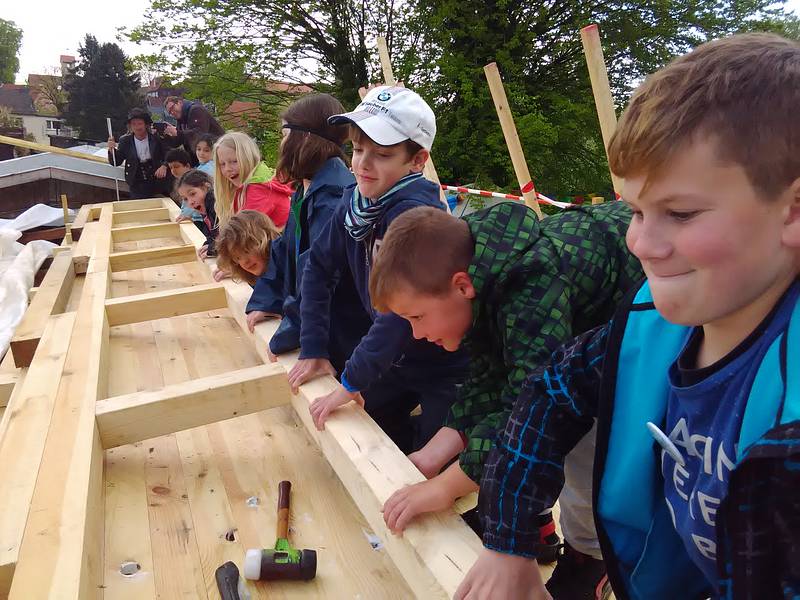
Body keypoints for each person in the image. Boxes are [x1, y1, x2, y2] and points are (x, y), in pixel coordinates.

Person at [458, 33, 800, 600]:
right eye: (637, 209)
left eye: (681, 213)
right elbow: (551, 392)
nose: (640, 241)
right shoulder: (656, 325)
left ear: (792, 212)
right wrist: (508, 542)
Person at [370, 200, 644, 597]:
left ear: (461, 286)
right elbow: (487, 381)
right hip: (576, 340)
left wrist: (446, 487)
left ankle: (591, 559)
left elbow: (530, 407)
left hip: (632, 339)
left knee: (585, 450)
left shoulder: (531, 286)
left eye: (416, 317)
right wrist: (429, 459)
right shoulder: (480, 279)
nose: (414, 334)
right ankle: (531, 525)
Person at [289, 86, 468, 453]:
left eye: (382, 155)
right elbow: (318, 268)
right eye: (356, 150)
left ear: (417, 161)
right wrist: (313, 348)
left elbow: (397, 316)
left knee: (438, 455)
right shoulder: (354, 203)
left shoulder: (417, 218)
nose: (361, 165)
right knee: (365, 433)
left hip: (446, 364)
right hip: (396, 359)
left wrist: (351, 380)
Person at [245, 93, 372, 382]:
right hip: (321, 333)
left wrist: (290, 333)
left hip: (340, 340)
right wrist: (267, 300)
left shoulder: (333, 198)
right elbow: (284, 249)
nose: (280, 143)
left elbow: (317, 277)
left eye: (284, 134)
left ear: (304, 139)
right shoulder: (307, 189)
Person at [213, 131, 292, 229]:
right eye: (222, 164)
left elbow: (243, 233)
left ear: (248, 158)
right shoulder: (257, 181)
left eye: (234, 161)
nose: (228, 168)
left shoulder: (258, 190)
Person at [107, 107, 169, 199]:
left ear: (145, 125)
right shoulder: (125, 141)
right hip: (136, 180)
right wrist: (111, 150)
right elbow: (117, 161)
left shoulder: (156, 138)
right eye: (134, 124)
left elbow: (167, 153)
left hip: (156, 177)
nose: (137, 127)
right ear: (130, 126)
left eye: (140, 124)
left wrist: (164, 166)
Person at [215, 209, 281, 285]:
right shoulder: (257, 278)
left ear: (265, 239)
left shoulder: (289, 270)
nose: (245, 262)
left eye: (247, 251)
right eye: (238, 258)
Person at [163, 95, 225, 164]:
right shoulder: (181, 120)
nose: (172, 112)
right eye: (169, 112)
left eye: (172, 108)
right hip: (201, 157)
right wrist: (166, 135)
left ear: (179, 103)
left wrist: (178, 133)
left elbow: (199, 133)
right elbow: (179, 140)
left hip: (216, 153)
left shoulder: (196, 110)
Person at [176, 169, 218, 255]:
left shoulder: (215, 204)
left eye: (192, 194)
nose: (190, 202)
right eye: (185, 199)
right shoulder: (205, 207)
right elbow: (212, 233)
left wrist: (214, 247)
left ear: (207, 187)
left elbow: (231, 237)